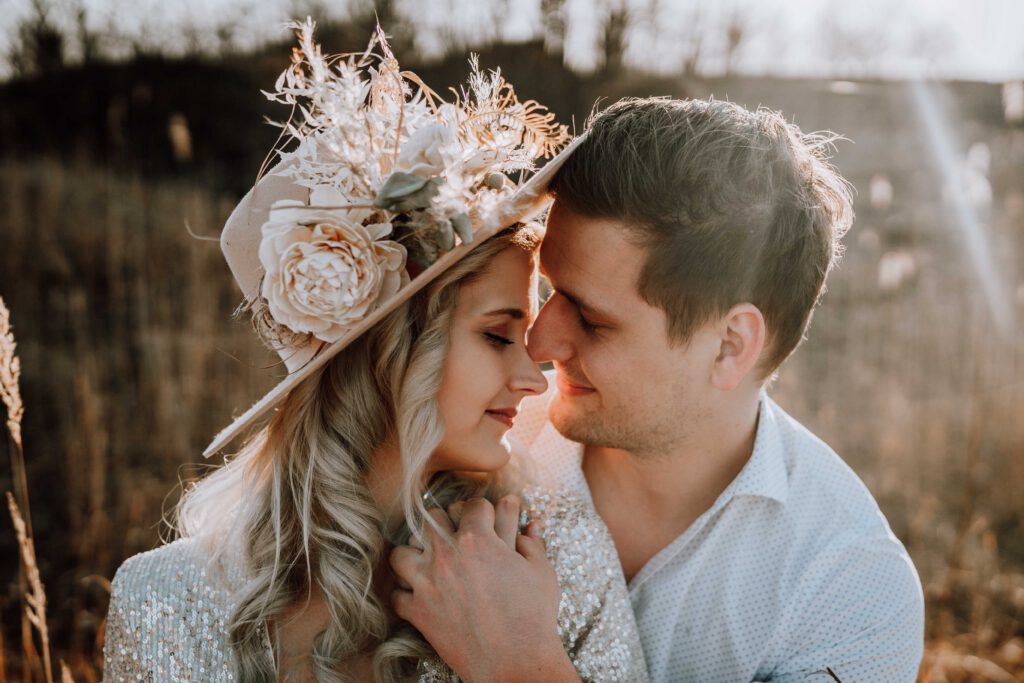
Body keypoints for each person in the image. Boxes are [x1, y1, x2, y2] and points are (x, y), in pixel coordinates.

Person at [101, 22, 648, 683]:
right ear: (385, 350)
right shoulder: (163, 601)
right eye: (498, 335)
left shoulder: (556, 556)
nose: (535, 379)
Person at [390, 98, 926, 682]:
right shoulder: (464, 437)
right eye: (550, 291)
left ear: (729, 346)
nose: (539, 343)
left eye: (591, 319)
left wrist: (520, 667)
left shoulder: (853, 593)